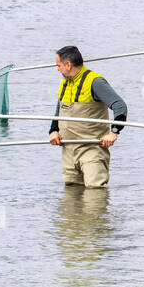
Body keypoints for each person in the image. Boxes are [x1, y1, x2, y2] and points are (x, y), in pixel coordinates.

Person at [49, 45, 127, 189]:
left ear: (68, 65)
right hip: (68, 150)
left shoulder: (95, 82)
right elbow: (60, 108)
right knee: (71, 198)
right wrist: (53, 130)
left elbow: (120, 106)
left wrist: (114, 132)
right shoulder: (65, 83)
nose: (57, 69)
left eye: (58, 65)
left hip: (91, 151)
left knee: (95, 195)